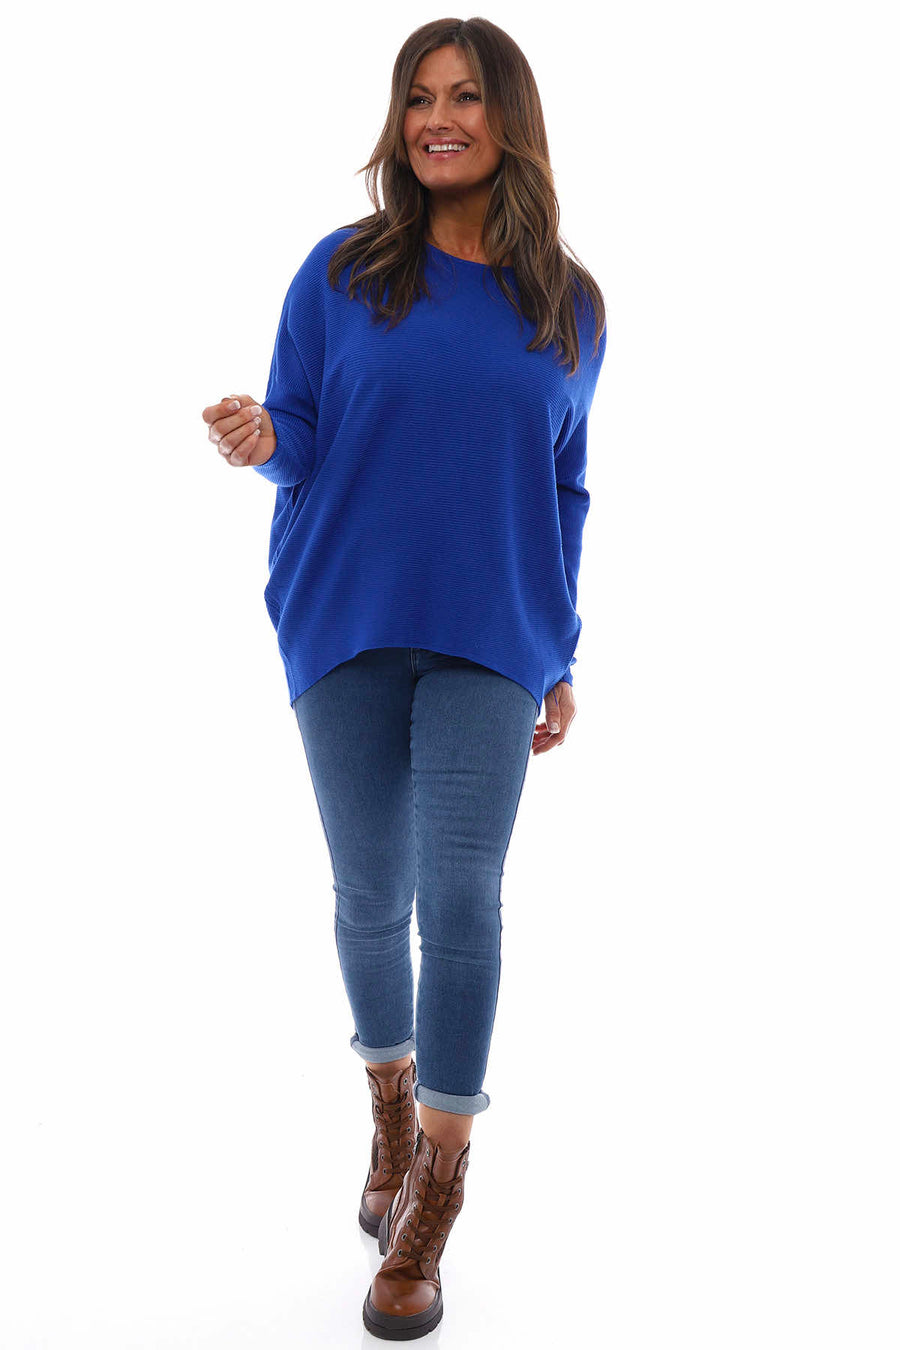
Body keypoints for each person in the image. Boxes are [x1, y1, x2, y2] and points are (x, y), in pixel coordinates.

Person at [201, 17, 606, 1342]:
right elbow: (302, 433)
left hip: (495, 630)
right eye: (419, 97)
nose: (439, 118)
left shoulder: (569, 303)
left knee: (463, 896)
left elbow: (563, 483)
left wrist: (562, 648)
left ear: (509, 120)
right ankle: (388, 1109)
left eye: (466, 97)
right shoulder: (339, 271)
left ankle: (436, 1188)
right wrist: (263, 438)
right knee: (372, 893)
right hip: (347, 614)